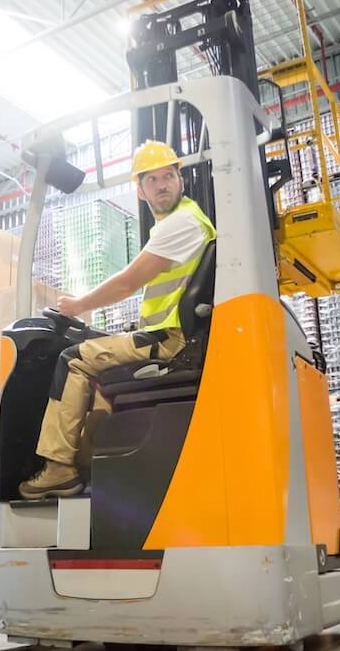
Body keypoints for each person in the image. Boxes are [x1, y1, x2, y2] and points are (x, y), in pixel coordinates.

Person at [18, 140, 215, 499]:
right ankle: (95, 465)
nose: (162, 184)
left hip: (172, 341)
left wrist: (77, 305)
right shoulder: (180, 223)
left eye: (168, 176)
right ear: (139, 191)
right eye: (152, 179)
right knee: (99, 369)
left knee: (73, 360)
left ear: (180, 180)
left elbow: (126, 283)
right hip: (170, 335)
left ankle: (59, 468)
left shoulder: (183, 223)